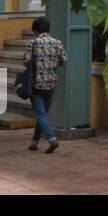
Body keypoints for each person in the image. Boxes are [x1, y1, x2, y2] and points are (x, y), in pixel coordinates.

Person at [24, 16, 67, 154]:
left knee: (41, 114)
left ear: (36, 30)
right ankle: (34, 142)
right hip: (51, 83)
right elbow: (64, 61)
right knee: (43, 114)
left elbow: (25, 61)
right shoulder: (57, 43)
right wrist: (53, 64)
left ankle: (51, 138)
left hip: (36, 84)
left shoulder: (33, 43)